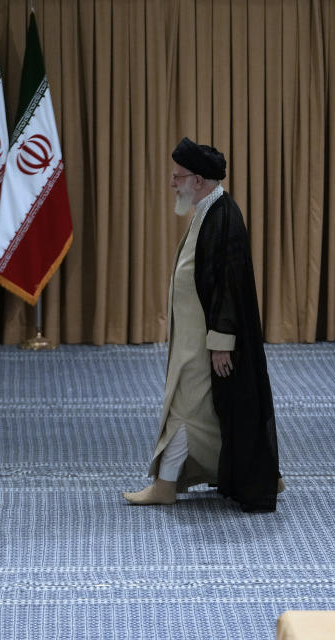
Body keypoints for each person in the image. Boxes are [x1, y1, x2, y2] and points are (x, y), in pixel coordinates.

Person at [122, 137, 282, 513]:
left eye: (177, 177)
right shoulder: (208, 209)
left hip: (205, 342)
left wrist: (221, 342)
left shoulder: (224, 216)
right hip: (196, 339)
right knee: (211, 411)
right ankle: (258, 474)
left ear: (198, 179)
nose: (172, 183)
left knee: (184, 406)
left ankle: (164, 485)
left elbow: (230, 284)